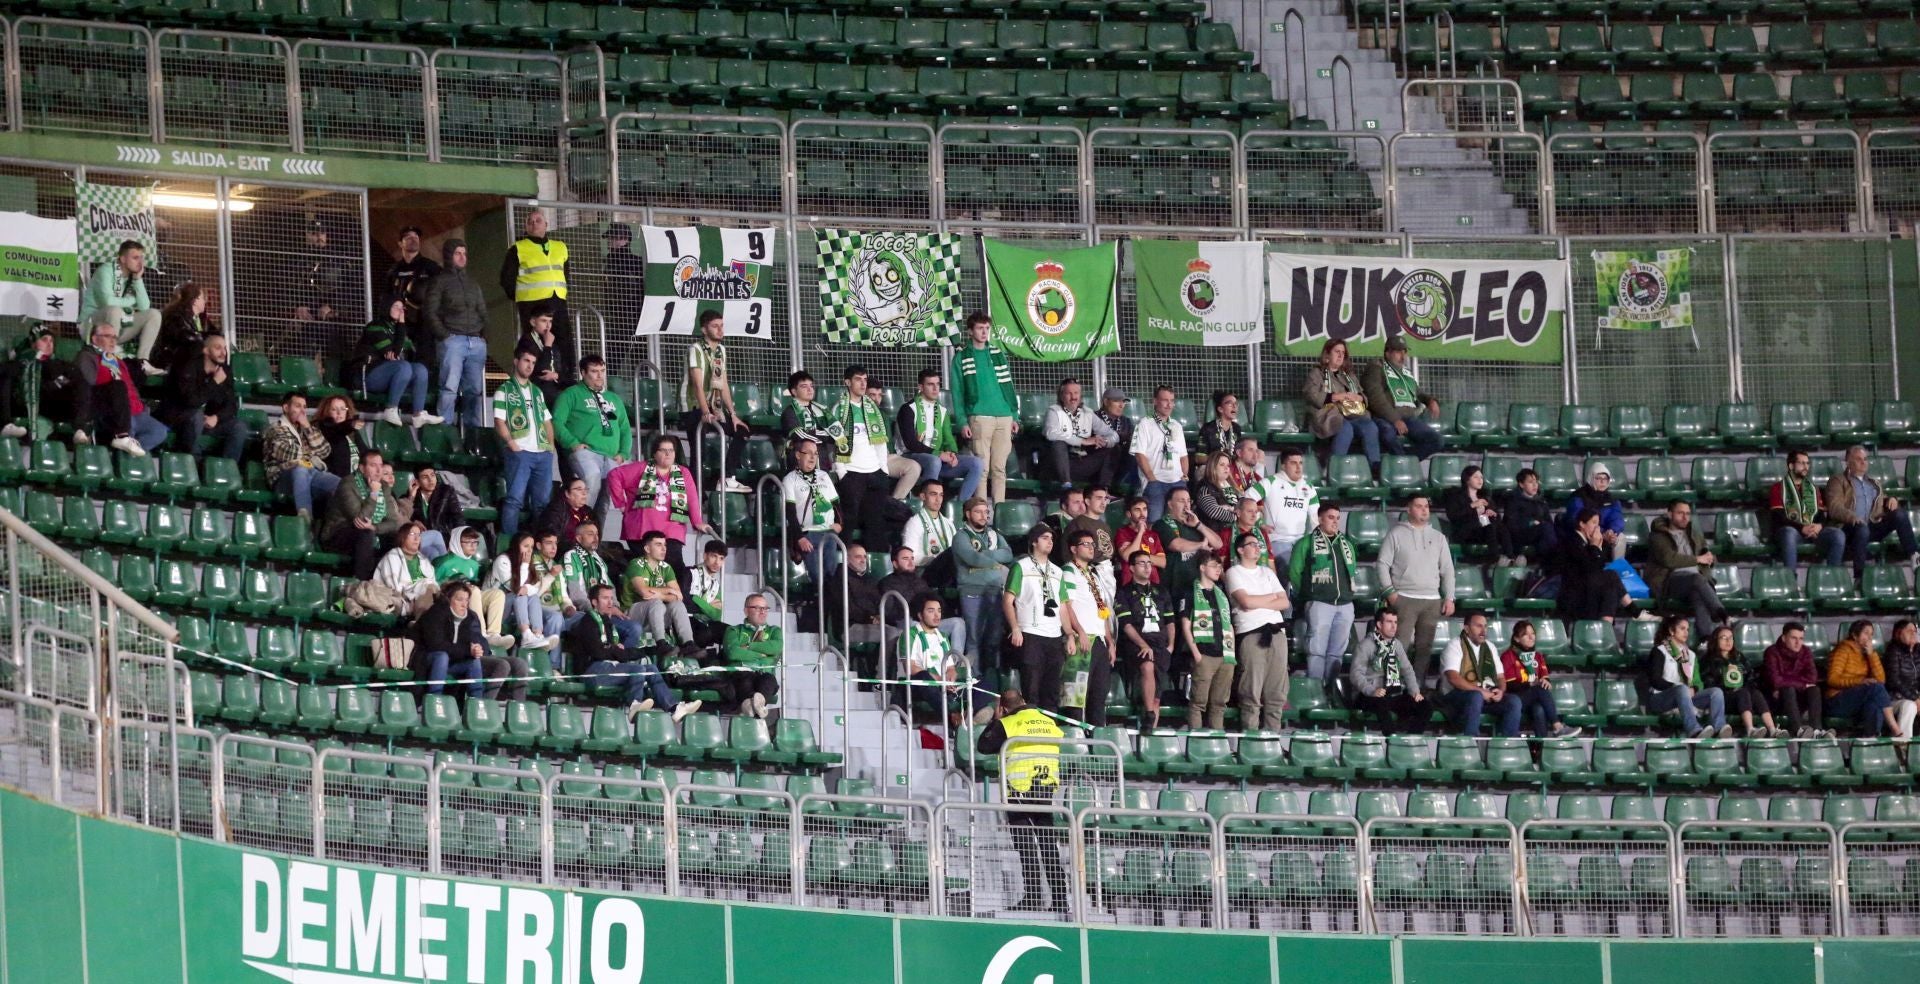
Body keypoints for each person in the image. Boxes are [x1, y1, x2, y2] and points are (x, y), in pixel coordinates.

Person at [973, 688, 1068, 914]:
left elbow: (984, 746)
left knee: (1025, 845)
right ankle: (1060, 899)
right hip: (1045, 788)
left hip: (1019, 789)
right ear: (1024, 701)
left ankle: (1034, 896)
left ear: (1004, 708)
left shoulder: (1008, 723)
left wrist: (996, 719)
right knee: (1048, 846)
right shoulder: (1048, 721)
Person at [566, 584, 699, 722]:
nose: (610, 602)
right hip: (592, 672)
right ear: (594, 602)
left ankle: (673, 708)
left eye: (611, 598)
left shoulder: (608, 622)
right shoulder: (587, 622)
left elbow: (614, 651)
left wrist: (617, 649)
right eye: (605, 598)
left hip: (610, 667)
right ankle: (634, 704)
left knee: (651, 669)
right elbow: (598, 652)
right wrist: (616, 650)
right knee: (638, 669)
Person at [830, 364, 918, 546]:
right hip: (852, 473)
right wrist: (842, 473)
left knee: (876, 522)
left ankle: (874, 564)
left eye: (864, 379)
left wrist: (883, 471)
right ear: (847, 382)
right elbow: (836, 444)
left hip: (875, 472)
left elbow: (880, 443)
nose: (863, 384)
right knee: (849, 520)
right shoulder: (839, 409)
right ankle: (845, 565)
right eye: (858, 379)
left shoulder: (873, 409)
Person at [608, 435, 711, 579]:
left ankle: (675, 599)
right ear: (655, 454)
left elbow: (692, 498)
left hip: (671, 531)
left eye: (671, 450)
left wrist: (697, 522)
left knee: (675, 569)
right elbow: (614, 475)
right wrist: (620, 503)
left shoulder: (683, 472)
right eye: (663, 450)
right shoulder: (641, 468)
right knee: (648, 573)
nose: (668, 454)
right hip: (641, 531)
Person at [1004, 524, 1080, 713]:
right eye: (1045, 538)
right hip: (1030, 633)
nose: (1050, 542)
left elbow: (1062, 606)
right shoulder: (1021, 566)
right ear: (1034, 542)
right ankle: (1032, 734)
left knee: (1052, 691)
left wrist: (1069, 633)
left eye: (1052, 539)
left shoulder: (1057, 571)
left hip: (1054, 637)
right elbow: (1007, 601)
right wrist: (1015, 628)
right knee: (1032, 690)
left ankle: (1050, 734)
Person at [1377, 494, 1456, 669]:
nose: (1424, 510)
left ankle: (1417, 690)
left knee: (1424, 649)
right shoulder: (1396, 533)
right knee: (1400, 646)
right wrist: (1390, 592)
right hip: (1404, 598)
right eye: (1419, 506)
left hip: (1432, 600)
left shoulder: (1438, 537)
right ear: (1409, 509)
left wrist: (1450, 597)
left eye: (1426, 506)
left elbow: (1448, 570)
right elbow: (1382, 564)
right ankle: (1393, 687)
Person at [73, 311, 167, 455]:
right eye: (107, 336)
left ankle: (127, 455)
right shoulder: (88, 356)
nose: (112, 341)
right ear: (94, 338)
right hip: (115, 412)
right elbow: (89, 385)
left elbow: (130, 385)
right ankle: (122, 456)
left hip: (137, 411)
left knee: (159, 431)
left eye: (115, 337)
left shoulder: (119, 361)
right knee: (119, 392)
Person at [413, 583, 527, 701]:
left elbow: (472, 640)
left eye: (467, 600)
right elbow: (437, 645)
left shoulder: (469, 617)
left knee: (514, 663)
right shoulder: (436, 613)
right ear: (448, 599)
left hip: (457, 659)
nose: (464, 604)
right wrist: (468, 650)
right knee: (443, 656)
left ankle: (478, 705)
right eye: (459, 599)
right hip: (430, 659)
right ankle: (435, 700)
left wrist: (477, 648)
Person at [894, 593, 994, 725]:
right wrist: (941, 680)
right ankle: (952, 717)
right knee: (923, 677)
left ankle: (968, 715)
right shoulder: (909, 635)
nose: (937, 616)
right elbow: (911, 669)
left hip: (942, 685)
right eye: (931, 611)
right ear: (920, 615)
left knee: (985, 683)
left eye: (939, 611)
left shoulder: (942, 636)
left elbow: (950, 667)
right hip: (917, 685)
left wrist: (951, 678)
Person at [554, 355, 632, 524]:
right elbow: (557, 423)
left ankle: (594, 543)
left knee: (603, 503)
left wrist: (624, 453)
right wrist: (572, 443)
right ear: (583, 373)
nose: (599, 375)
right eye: (594, 371)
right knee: (592, 478)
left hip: (611, 456)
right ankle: (577, 527)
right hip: (587, 452)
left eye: (602, 371)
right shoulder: (571, 394)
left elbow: (624, 428)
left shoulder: (612, 399)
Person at [951, 311, 1019, 504]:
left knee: (999, 468)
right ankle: (979, 509)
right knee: (982, 468)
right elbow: (957, 393)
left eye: (987, 328)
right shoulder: (961, 357)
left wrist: (1014, 415)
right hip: (979, 417)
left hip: (1004, 416)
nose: (984, 332)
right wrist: (963, 421)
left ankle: (999, 510)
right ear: (970, 331)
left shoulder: (998, 354)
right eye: (980, 328)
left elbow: (1008, 386)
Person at [421, 238, 488, 428]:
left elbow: (483, 311)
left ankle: (472, 435)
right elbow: (430, 311)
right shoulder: (439, 282)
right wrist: (444, 335)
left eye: (464, 253)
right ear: (449, 256)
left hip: (476, 342)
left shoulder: (473, 284)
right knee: (449, 388)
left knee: (474, 390)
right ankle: (445, 430)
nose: (462, 257)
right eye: (458, 253)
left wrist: (484, 336)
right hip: (452, 341)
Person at [1227, 530, 1290, 730]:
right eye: (1252, 544)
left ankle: (1273, 740)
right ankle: (1251, 741)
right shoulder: (1233, 572)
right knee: (1251, 692)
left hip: (1276, 633)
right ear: (1240, 549)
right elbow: (1245, 602)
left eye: (1258, 545)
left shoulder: (1267, 572)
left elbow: (1284, 602)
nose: (1257, 548)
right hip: (1252, 633)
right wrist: (1270, 598)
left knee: (1276, 693)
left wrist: (1259, 601)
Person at [1290, 503, 1358, 686]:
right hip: (1319, 603)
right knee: (1317, 651)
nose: (1335, 521)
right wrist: (1311, 593)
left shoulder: (1346, 544)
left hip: (1345, 604)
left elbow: (1352, 571)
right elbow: (1294, 574)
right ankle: (1316, 691)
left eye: (1337, 518)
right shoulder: (1305, 543)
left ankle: (1330, 691)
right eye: (1330, 517)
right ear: (1320, 519)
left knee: (1337, 652)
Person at [1826, 444, 1918, 578]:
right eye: (1859, 459)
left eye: (1865, 459)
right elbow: (1834, 507)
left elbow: (1880, 503)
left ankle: (1915, 555)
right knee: (1862, 528)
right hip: (1848, 527)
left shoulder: (1874, 484)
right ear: (1848, 462)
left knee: (1899, 514)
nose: (1863, 462)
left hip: (1871, 525)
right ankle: (1859, 576)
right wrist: (1852, 517)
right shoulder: (1838, 481)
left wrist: (1890, 500)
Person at [682, 310, 749, 491]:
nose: (720, 330)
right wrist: (705, 412)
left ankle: (726, 477)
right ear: (704, 329)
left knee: (741, 431)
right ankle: (695, 493)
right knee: (699, 451)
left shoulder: (721, 350)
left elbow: (723, 384)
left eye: (721, 325)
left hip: (714, 407)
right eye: (715, 326)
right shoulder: (695, 349)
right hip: (693, 407)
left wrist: (733, 415)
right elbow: (697, 385)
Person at [494, 346, 557, 538]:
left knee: (542, 502)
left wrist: (550, 447)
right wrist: (511, 443)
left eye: (533, 362)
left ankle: (539, 543)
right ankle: (510, 542)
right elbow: (499, 421)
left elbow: (547, 420)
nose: (530, 366)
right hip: (520, 452)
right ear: (516, 361)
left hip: (542, 452)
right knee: (514, 499)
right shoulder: (504, 390)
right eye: (526, 361)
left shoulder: (537, 391)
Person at [347, 295, 438, 428]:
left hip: (392, 374)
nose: (400, 311)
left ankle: (419, 414)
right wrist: (401, 325)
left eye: (402, 308)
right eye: (396, 307)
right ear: (387, 307)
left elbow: (404, 352)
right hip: (368, 376)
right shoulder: (375, 326)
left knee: (420, 369)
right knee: (403, 366)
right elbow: (394, 354)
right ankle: (391, 409)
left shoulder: (397, 330)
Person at [1645, 500, 1729, 640]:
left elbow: (1705, 554)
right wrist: (1697, 559)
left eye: (1688, 514)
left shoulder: (1693, 533)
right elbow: (1669, 559)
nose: (1685, 517)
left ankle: (1705, 638)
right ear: (1670, 514)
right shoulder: (1658, 536)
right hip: (1669, 581)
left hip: (1696, 580)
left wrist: (1710, 559)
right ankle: (1721, 613)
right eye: (1680, 513)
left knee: (1698, 592)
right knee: (1697, 580)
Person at [897, 368, 983, 504]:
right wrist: (938, 454)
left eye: (937, 384)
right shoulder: (908, 409)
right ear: (920, 387)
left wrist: (952, 454)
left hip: (936, 458)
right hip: (910, 457)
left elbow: (948, 439)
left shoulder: (942, 411)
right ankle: (927, 506)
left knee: (976, 463)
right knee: (934, 460)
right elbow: (910, 444)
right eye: (930, 384)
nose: (935, 388)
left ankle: (961, 508)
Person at [156, 333, 245, 462]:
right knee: (196, 416)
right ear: (206, 351)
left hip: (207, 423)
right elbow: (191, 401)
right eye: (218, 348)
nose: (223, 352)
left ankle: (227, 470)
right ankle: (195, 466)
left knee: (239, 426)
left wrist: (216, 417)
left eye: (225, 348)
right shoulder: (188, 367)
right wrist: (214, 382)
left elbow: (231, 405)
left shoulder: (224, 370)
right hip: (180, 420)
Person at [79, 240, 163, 371]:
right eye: (135, 258)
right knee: (114, 310)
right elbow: (107, 302)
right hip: (91, 326)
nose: (140, 262)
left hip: (119, 326)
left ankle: (143, 362)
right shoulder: (106, 271)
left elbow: (145, 307)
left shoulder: (132, 277)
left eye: (141, 258)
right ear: (123, 259)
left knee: (154, 314)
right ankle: (112, 355)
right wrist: (130, 301)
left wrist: (137, 280)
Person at [1060, 528, 1115, 725]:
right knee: (1075, 698)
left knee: (1098, 695)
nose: (1091, 548)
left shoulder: (1093, 574)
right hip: (1082, 639)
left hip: (1099, 640)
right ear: (1074, 549)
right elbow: (1067, 605)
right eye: (1086, 544)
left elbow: (1103, 610)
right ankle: (1074, 744)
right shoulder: (1069, 571)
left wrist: (1110, 640)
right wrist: (1079, 632)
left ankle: (1097, 744)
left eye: (1093, 544)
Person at [952, 497, 1012, 677]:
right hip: (972, 592)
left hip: (994, 592)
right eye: (978, 512)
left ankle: (990, 680)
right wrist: (996, 564)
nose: (983, 515)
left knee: (994, 639)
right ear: (968, 514)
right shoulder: (961, 536)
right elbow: (972, 558)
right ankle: (974, 680)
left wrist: (986, 554)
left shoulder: (994, 535)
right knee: (974, 639)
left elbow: (1008, 554)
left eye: (986, 512)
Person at [1642, 615, 1729, 739]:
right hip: (1660, 698)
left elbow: (1698, 681)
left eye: (1687, 629)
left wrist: (1694, 689)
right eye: (1682, 629)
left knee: (1716, 692)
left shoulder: (1691, 655)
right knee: (1681, 688)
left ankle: (1719, 728)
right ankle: (1694, 730)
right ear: (1672, 631)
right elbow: (1655, 680)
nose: (1686, 632)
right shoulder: (1659, 651)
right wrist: (1676, 686)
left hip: (1685, 697)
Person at [1303, 339, 1384, 471]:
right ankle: (1335, 468)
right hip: (1327, 415)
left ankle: (1374, 467)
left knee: (1370, 426)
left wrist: (1358, 397)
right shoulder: (1317, 373)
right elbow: (1311, 395)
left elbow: (1363, 397)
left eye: (1343, 353)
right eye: (1337, 352)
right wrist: (1336, 397)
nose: (1341, 355)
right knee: (1345, 428)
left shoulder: (1348, 376)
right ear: (1327, 355)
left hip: (1351, 414)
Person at [319, 450, 401, 581]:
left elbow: (393, 522)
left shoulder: (384, 487)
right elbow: (360, 519)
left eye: (380, 465)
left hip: (370, 531)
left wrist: (375, 528)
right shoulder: (347, 484)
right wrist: (374, 494)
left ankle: (391, 585)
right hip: (338, 534)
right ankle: (362, 583)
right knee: (365, 533)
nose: (379, 470)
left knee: (398, 537)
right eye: (373, 465)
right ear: (362, 468)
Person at [1114, 550, 1173, 729]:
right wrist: (1143, 644)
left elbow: (1170, 620)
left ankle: (1150, 734)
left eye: (1149, 563)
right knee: (1147, 665)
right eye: (1142, 563)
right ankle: (1148, 713)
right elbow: (1126, 624)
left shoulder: (1161, 591)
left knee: (1157, 697)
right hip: (1136, 644)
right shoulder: (1123, 592)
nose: (1147, 567)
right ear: (1131, 568)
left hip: (1161, 645)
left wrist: (1171, 645)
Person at [1436, 611, 1520, 736]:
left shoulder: (1490, 647)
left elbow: (1501, 677)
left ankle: (1506, 746)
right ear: (1467, 628)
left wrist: (1501, 691)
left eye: (1485, 626)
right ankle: (1472, 743)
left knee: (1513, 701)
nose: (1483, 630)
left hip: (1485, 695)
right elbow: (1453, 678)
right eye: (1478, 626)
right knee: (1475, 696)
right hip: (1456, 697)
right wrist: (1481, 691)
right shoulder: (1455, 645)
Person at [877, 544, 969, 656]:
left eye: (912, 558)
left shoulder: (920, 581)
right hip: (906, 621)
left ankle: (954, 663)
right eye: (905, 559)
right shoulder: (887, 583)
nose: (910, 562)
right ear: (895, 563)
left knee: (958, 622)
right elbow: (889, 612)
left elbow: (935, 601)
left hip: (927, 621)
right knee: (912, 622)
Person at [1362, 334, 1443, 460]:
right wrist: (1395, 420)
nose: (1403, 356)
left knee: (1436, 440)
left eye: (1404, 352)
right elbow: (1375, 399)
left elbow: (1417, 392)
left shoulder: (1405, 372)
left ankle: (1404, 462)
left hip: (1408, 418)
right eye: (1398, 352)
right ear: (1387, 353)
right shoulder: (1376, 369)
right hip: (1384, 418)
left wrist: (1430, 400)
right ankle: (1402, 463)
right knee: (1388, 434)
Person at [433, 526, 513, 648]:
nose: (473, 546)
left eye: (475, 542)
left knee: (497, 593)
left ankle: (494, 634)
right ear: (456, 541)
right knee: (473, 591)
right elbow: (433, 584)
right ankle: (481, 633)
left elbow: (475, 583)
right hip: (450, 599)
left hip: (471, 598)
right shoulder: (443, 562)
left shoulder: (474, 564)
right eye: (468, 542)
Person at [1181, 552, 1236, 729]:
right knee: (1198, 702)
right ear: (1202, 568)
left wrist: (1232, 651)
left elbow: (1229, 624)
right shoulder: (1190, 592)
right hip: (1204, 654)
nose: (1218, 569)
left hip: (1225, 655)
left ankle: (1217, 745)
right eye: (1214, 566)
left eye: (1220, 567)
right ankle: (1197, 742)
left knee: (1219, 704)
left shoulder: (1222, 594)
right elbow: (1185, 625)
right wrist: (1196, 653)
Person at [1350, 609, 1427, 735]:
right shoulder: (1366, 645)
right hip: (1368, 695)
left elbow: (1407, 670)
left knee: (1425, 706)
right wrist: (1372, 690)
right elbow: (1355, 674)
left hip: (1392, 692)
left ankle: (1412, 740)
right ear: (1379, 625)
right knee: (1381, 704)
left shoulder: (1396, 645)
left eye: (1395, 622)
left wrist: (1415, 692)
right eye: (1389, 622)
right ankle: (1391, 742)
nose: (1393, 626)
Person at [263, 393, 338, 521]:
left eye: (304, 407)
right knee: (300, 467)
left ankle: (334, 525)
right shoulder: (276, 428)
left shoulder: (307, 429)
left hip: (311, 473)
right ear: (286, 408)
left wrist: (308, 427)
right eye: (298, 406)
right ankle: (305, 518)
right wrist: (312, 456)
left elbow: (325, 451)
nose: (302, 411)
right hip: (282, 477)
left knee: (343, 484)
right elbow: (285, 452)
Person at [1500, 620, 1581, 738]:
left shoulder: (1537, 656)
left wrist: (1545, 682)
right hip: (1515, 699)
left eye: (1532, 634)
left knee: (1539, 709)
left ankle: (1541, 748)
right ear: (1517, 639)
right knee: (1539, 689)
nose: (1531, 637)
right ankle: (1557, 726)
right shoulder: (1508, 656)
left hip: (1533, 698)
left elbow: (1545, 677)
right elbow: (1508, 685)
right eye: (1525, 634)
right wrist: (1531, 684)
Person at [1549, 510, 1632, 624]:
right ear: (1582, 524)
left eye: (1598, 524)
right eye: (1594, 523)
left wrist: (1604, 544)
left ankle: (1606, 625)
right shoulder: (1571, 541)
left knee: (1610, 585)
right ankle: (1631, 613)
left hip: (1587, 588)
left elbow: (1599, 565)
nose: (1597, 528)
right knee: (1611, 577)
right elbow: (1589, 568)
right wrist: (1594, 546)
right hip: (1572, 592)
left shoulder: (1588, 541)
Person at [1702, 625, 1786, 738]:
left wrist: (1744, 686)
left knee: (1755, 693)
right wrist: (1729, 686)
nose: (1728, 641)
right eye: (1723, 638)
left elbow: (1751, 678)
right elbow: (1709, 684)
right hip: (1724, 699)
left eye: (1731, 638)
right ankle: (1750, 729)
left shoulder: (1739, 657)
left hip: (1743, 699)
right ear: (1715, 640)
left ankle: (1772, 729)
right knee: (1743, 693)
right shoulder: (1708, 660)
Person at [0, 323, 81, 439]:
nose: (49, 344)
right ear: (33, 343)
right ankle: (6, 425)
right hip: (21, 404)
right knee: (5, 378)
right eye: (44, 340)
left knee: (81, 384)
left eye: (52, 341)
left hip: (51, 403)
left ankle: (80, 428)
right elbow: (6, 373)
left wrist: (56, 382)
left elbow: (73, 376)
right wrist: (28, 356)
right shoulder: (20, 362)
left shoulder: (59, 363)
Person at [624, 531, 698, 654]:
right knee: (656, 603)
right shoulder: (636, 564)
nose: (664, 549)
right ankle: (660, 643)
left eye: (665, 545)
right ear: (647, 548)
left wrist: (659, 594)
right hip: (632, 614)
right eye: (658, 545)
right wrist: (668, 590)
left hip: (656, 615)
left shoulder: (666, 567)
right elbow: (644, 593)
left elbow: (678, 596)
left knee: (677, 605)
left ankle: (688, 644)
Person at [781, 438, 843, 586]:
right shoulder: (790, 479)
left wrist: (839, 524)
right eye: (808, 453)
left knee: (832, 575)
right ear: (798, 455)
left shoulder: (824, 476)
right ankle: (818, 606)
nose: (812, 457)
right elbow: (789, 512)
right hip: (808, 534)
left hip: (829, 532)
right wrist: (799, 537)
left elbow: (836, 503)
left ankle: (830, 608)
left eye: (815, 453)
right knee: (817, 576)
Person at [1770, 450, 1845, 571]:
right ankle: (1791, 581)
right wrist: (1802, 528)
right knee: (1788, 532)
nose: (1806, 467)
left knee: (1838, 534)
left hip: (1812, 532)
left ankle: (1832, 577)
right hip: (1792, 533)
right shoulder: (1778, 488)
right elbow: (1779, 517)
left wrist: (1819, 526)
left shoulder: (1813, 489)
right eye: (1802, 463)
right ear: (1791, 466)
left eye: (1807, 463)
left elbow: (1820, 515)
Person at [1246, 449, 1319, 574]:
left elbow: (1315, 518)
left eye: (1300, 463)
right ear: (1283, 465)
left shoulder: (1309, 487)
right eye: (1293, 463)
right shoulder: (1270, 482)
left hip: (1300, 541)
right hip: (1276, 540)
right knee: (1290, 571)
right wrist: (1259, 521)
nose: (1298, 467)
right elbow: (1246, 499)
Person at [488, 531, 563, 650]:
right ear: (516, 546)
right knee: (521, 595)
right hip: (495, 610)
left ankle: (537, 634)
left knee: (532, 597)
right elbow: (516, 588)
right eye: (525, 546)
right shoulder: (502, 560)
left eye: (531, 547)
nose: (529, 550)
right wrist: (524, 566)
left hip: (515, 609)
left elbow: (534, 590)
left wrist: (528, 588)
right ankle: (526, 635)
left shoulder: (528, 563)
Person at [501, 210, 570, 335]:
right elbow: (507, 278)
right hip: (531, 305)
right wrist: (521, 299)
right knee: (535, 346)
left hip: (557, 301)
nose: (534, 224)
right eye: (530, 222)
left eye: (538, 221)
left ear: (546, 224)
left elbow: (565, 275)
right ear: (526, 227)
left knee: (563, 342)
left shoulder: (560, 247)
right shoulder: (517, 249)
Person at [1043, 377, 1120, 487]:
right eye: (1069, 393)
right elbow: (1051, 433)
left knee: (1114, 449)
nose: (1073, 397)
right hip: (1059, 464)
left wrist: (1105, 441)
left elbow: (1114, 435)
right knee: (1058, 444)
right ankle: (1066, 486)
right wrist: (1082, 441)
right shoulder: (1054, 411)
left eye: (1076, 393)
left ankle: (1103, 489)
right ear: (1061, 396)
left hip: (1081, 462)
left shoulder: (1087, 412)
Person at [1826, 619, 1898, 737]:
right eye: (1866, 633)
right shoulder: (1843, 650)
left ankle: (1871, 739)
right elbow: (1832, 679)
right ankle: (1894, 727)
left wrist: (1871, 655)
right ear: (1854, 635)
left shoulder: (1867, 653)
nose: (1869, 637)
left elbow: (1881, 680)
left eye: (1871, 634)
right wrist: (1860, 681)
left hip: (1856, 701)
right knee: (1874, 688)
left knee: (1874, 705)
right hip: (1836, 701)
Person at [718, 594, 782, 719]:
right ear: (746, 610)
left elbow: (776, 648)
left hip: (764, 674)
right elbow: (733, 653)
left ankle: (753, 704)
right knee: (745, 679)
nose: (763, 612)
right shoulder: (733, 631)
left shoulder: (775, 631)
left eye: (765, 608)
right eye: (757, 608)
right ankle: (755, 706)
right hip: (741, 674)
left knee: (769, 680)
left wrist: (748, 647)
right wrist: (762, 654)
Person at [1131, 385, 1189, 522]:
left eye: (1172, 401)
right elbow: (1140, 454)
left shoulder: (1176, 426)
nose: (1169, 405)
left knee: (1181, 519)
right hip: (1155, 481)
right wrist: (1152, 479)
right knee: (1154, 520)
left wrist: (1184, 476)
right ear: (1155, 401)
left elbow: (1183, 456)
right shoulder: (1145, 424)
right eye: (1165, 400)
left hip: (1177, 482)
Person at [378, 225, 440, 354]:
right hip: (400, 323)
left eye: (416, 237)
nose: (413, 239)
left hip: (425, 324)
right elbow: (386, 297)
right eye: (408, 237)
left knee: (425, 360)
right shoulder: (394, 270)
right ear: (400, 243)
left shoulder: (430, 267)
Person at [1441, 464, 1517, 566]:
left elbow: (1497, 517)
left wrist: (1492, 514)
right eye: (1476, 477)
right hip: (1467, 531)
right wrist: (1472, 505)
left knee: (1501, 527)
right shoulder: (1456, 496)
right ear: (1467, 479)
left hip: (1484, 530)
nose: (1480, 480)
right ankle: (1495, 558)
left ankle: (1511, 557)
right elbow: (1453, 515)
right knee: (1489, 526)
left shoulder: (1485, 497)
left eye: (1481, 477)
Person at [1154, 487, 1221, 600]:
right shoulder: (1161, 524)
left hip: (1198, 588)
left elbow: (1218, 544)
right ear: (1170, 504)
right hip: (1175, 588)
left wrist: (1199, 525)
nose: (1186, 505)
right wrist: (1200, 545)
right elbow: (1176, 545)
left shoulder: (1194, 524)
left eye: (1188, 501)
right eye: (1181, 501)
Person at [1764, 622, 1829, 738]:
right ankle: (1798, 730)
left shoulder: (1806, 651)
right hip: (1778, 700)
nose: (1798, 642)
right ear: (1784, 638)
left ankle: (1817, 730)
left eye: (1801, 638)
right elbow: (1776, 681)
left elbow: (1812, 678)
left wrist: (1789, 681)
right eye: (1794, 638)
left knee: (1814, 689)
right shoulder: (1771, 652)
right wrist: (1802, 685)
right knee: (1788, 689)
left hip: (1799, 698)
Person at [373, 521, 440, 617]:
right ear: (403, 537)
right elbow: (394, 589)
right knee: (430, 589)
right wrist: (417, 591)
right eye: (412, 534)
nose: (417, 538)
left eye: (419, 535)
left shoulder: (423, 559)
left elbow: (432, 582)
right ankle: (420, 622)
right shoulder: (393, 556)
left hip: (427, 595)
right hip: (407, 598)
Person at [515, 302, 575, 408]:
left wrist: (556, 376)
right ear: (533, 322)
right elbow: (540, 370)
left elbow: (563, 370)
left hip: (555, 385)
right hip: (539, 387)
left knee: (577, 388)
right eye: (543, 321)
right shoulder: (527, 341)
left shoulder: (553, 341)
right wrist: (547, 346)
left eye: (550, 322)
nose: (548, 326)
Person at [1564, 461, 1626, 560]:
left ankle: (1616, 571)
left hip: (1606, 534)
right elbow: (1577, 519)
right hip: (1587, 532)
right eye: (1598, 478)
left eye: (1605, 479)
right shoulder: (1579, 497)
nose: (1602, 482)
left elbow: (1617, 518)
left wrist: (1612, 531)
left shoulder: (1611, 499)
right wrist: (1601, 532)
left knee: (1620, 538)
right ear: (1591, 478)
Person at [292, 219, 350, 324]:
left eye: (322, 233)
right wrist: (299, 305)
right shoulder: (301, 259)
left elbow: (349, 285)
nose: (319, 237)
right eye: (314, 234)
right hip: (309, 313)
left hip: (332, 314)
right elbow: (295, 284)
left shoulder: (337, 258)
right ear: (308, 236)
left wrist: (332, 305)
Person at [151, 281, 214, 372]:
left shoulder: (201, 319)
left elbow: (214, 333)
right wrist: (204, 339)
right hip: (171, 361)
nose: (205, 301)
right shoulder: (175, 315)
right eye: (203, 298)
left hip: (192, 360)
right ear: (195, 300)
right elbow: (184, 336)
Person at [902, 479, 958, 574]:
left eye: (941, 495)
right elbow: (909, 557)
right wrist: (935, 559)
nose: (938, 499)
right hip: (926, 572)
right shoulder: (914, 523)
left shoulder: (949, 523)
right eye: (933, 494)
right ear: (923, 496)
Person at [1502, 467, 1559, 562]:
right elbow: (1511, 524)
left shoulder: (1541, 501)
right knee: (1545, 529)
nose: (1535, 485)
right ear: (1521, 484)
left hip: (1538, 533)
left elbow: (1549, 521)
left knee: (1556, 530)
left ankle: (1549, 562)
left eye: (1536, 482)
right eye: (1530, 482)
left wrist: (1540, 524)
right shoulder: (1513, 500)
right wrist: (1531, 522)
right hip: (1520, 534)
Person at [407, 466, 460, 558]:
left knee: (433, 553)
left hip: (444, 540)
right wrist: (413, 522)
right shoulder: (411, 496)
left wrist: (455, 542)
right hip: (421, 539)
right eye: (425, 477)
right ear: (417, 481)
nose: (430, 480)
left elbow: (457, 517)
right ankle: (445, 566)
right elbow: (402, 518)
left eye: (432, 475)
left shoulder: (446, 492)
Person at [314, 394, 369, 482]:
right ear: (326, 411)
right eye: (334, 409)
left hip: (356, 480)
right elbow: (338, 429)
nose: (339, 413)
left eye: (343, 409)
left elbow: (365, 453)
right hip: (336, 481)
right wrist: (351, 424)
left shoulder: (351, 431)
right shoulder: (323, 427)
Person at [1113, 496, 1165, 586]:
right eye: (1137, 510)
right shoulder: (1122, 532)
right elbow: (1127, 556)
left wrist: (1139, 556)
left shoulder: (1153, 535)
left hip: (1153, 584)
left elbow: (1162, 562)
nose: (1142, 514)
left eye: (1144, 509)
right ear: (1129, 514)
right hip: (1131, 585)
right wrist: (1140, 532)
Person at [686, 540, 729, 648]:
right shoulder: (689, 572)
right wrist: (708, 606)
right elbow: (685, 602)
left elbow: (716, 615)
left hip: (707, 622)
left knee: (732, 633)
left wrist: (697, 600)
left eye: (721, 558)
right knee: (704, 633)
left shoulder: (716, 585)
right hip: (687, 621)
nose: (717, 562)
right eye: (714, 556)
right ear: (705, 556)